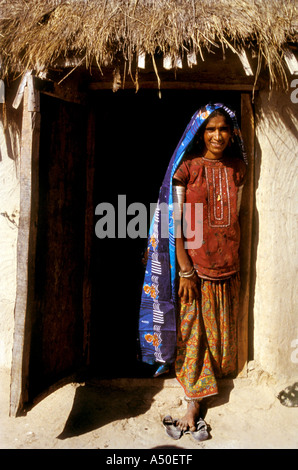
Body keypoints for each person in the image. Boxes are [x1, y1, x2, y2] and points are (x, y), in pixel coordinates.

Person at [138, 103, 247, 440]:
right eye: (211, 129)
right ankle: (191, 404)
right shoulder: (187, 170)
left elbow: (237, 217)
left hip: (226, 267)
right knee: (192, 334)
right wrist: (184, 270)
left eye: (224, 129)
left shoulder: (237, 169)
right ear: (200, 133)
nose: (217, 136)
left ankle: (206, 391)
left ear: (232, 134)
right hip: (194, 270)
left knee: (216, 336)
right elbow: (177, 224)